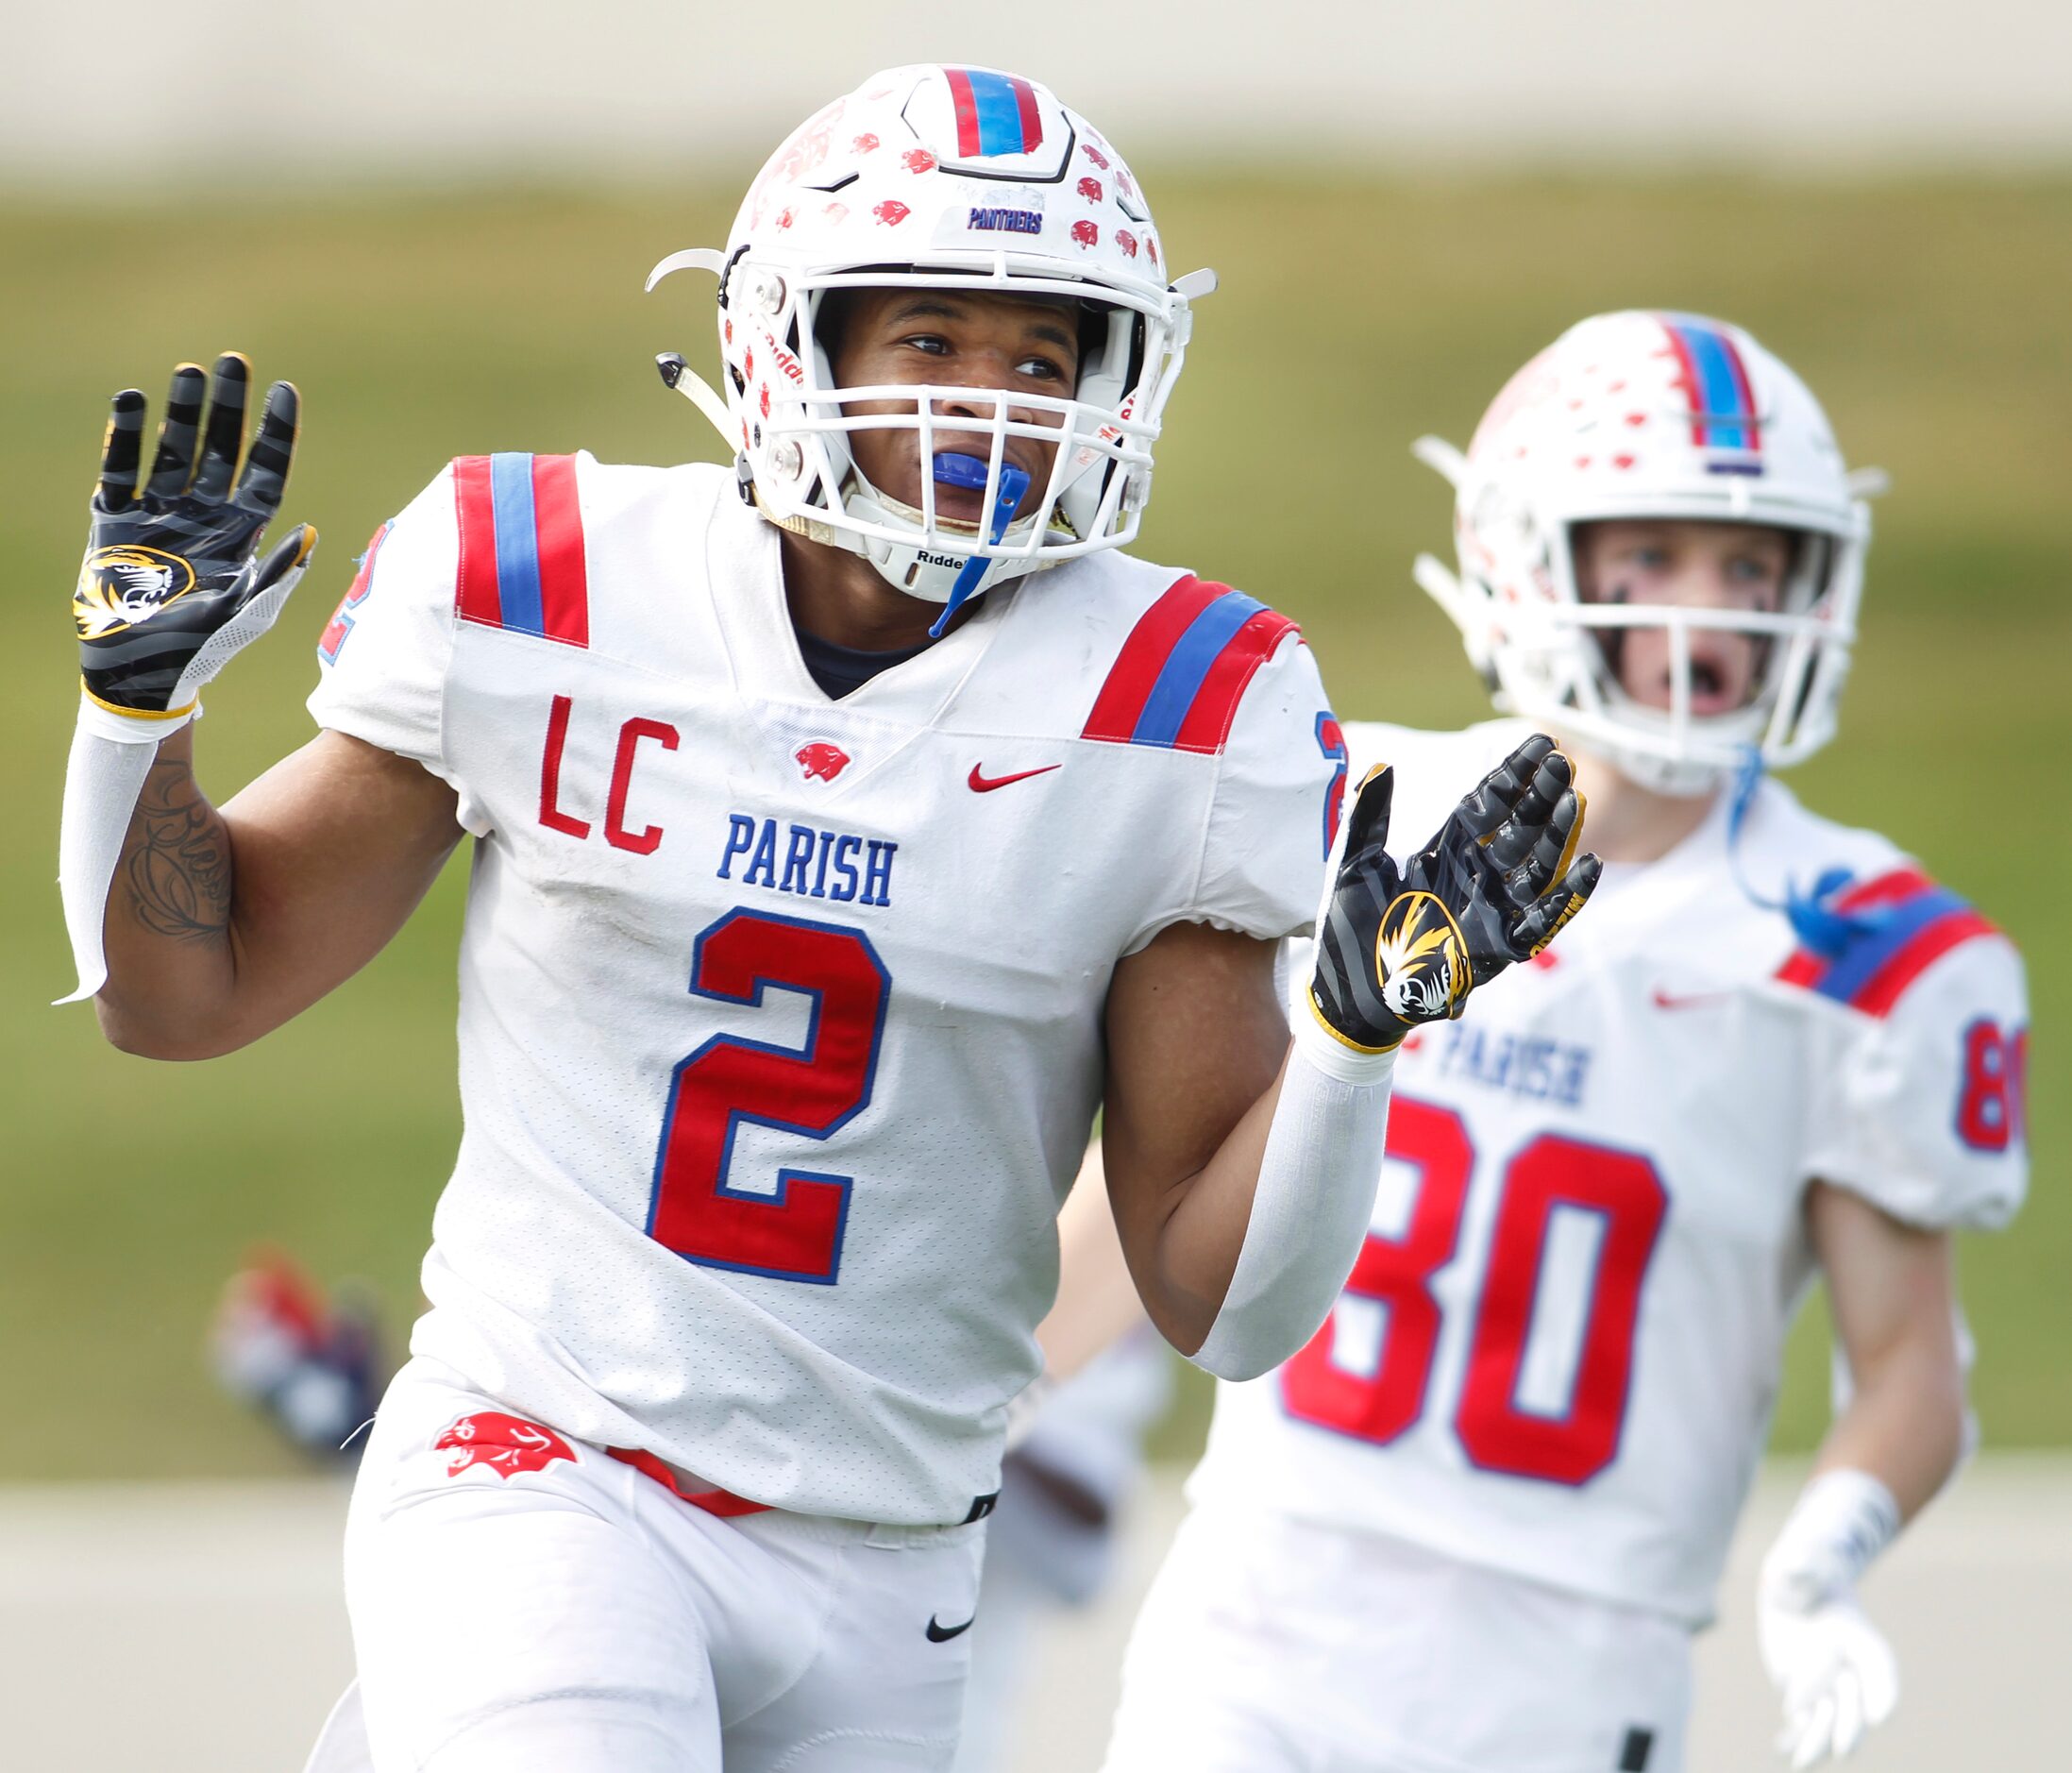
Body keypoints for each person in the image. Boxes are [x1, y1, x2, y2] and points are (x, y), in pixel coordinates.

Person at [56, 65, 1595, 1773]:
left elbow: (1217, 1305)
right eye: (931, 343)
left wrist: (1351, 1046)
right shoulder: (548, 581)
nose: (992, 407)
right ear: (795, 338)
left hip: (895, 1554)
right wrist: (136, 726)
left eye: (1041, 356)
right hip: (550, 1466)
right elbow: (181, 995)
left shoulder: (1183, 706)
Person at [1100, 312, 2029, 1773]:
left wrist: (1820, 1560)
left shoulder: (1873, 952)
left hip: (1573, 1659)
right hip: (1264, 1615)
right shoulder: (1347, 801)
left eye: (1751, 564)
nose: (1711, 614)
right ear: (1527, 561)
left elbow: (1910, 1355)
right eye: (1651, 558)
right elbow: (1162, 1193)